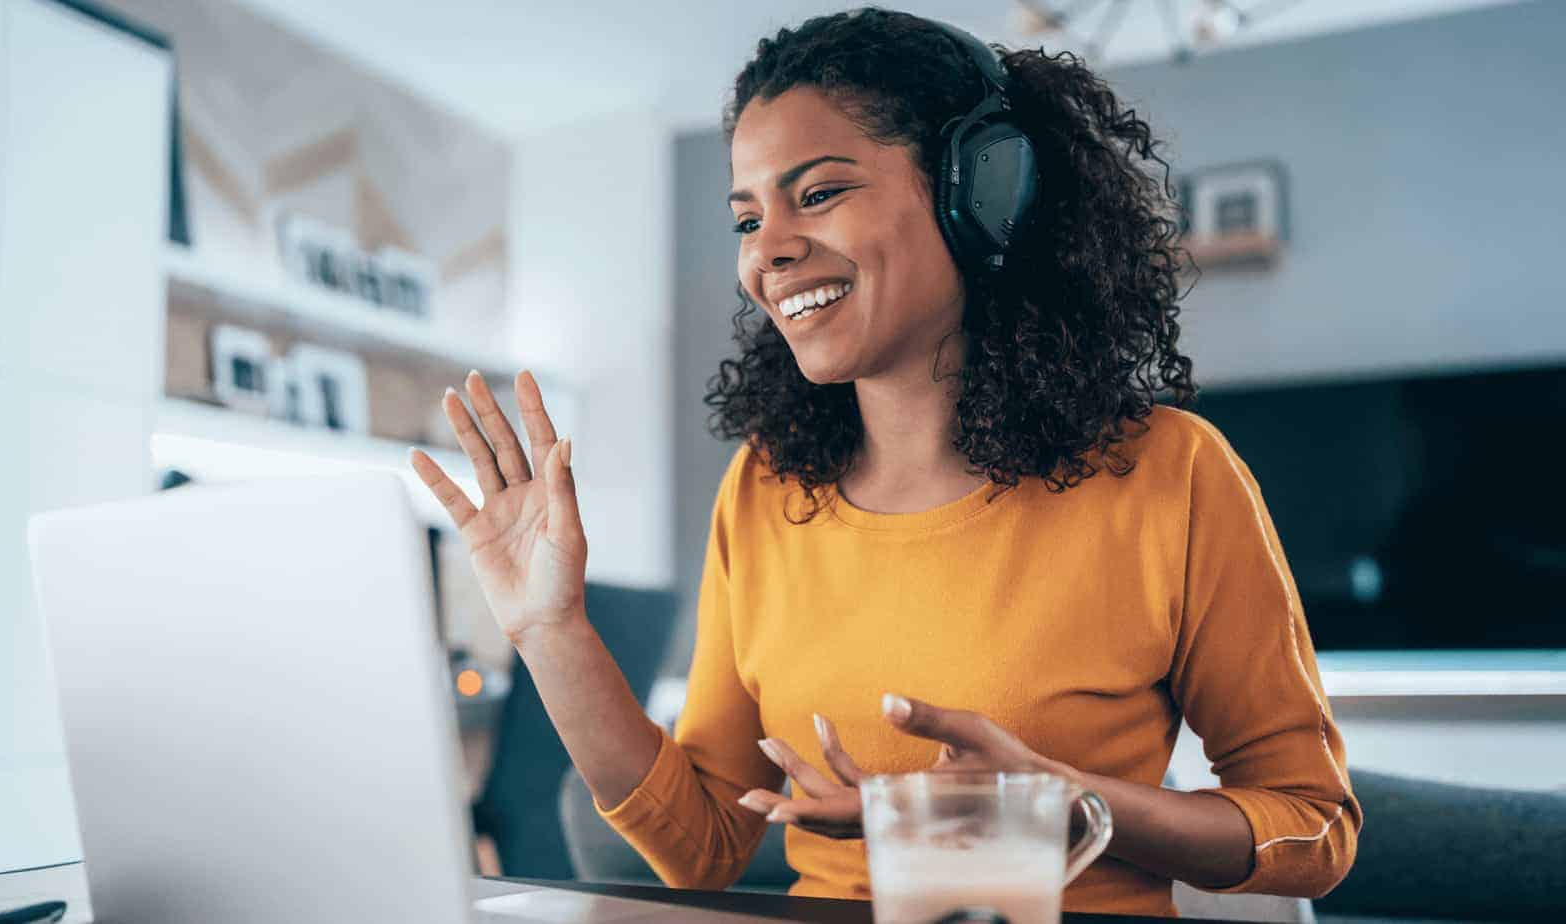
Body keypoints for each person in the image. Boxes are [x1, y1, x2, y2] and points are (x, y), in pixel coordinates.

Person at [409, 7, 1359, 917]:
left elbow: (1313, 830)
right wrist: (552, 629)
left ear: (983, 193)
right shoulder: (768, 487)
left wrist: (1069, 803)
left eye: (818, 194)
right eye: (747, 219)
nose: (768, 254)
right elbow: (703, 846)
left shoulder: (1172, 473)